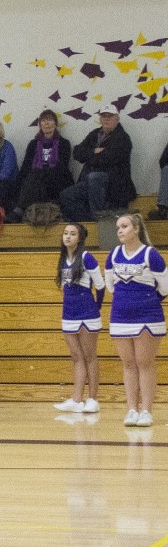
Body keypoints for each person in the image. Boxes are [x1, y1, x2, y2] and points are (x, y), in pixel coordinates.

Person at [106, 213, 168, 427]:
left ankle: (146, 411)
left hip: (147, 317)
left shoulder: (151, 254)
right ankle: (131, 409)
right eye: (118, 228)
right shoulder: (113, 255)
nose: (120, 231)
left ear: (136, 229)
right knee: (129, 364)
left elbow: (165, 287)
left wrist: (146, 300)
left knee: (144, 363)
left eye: (124, 226)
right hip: (121, 316)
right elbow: (110, 286)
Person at [54, 222, 104, 414]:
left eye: (72, 234)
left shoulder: (86, 257)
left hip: (87, 312)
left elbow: (100, 286)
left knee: (89, 356)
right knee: (76, 357)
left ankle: (93, 398)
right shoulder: (63, 258)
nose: (67, 237)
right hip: (69, 312)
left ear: (80, 238)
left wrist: (95, 308)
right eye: (65, 233)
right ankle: (76, 400)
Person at [60, 105, 136, 222]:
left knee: (95, 177)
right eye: (103, 116)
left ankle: (98, 219)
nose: (106, 119)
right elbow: (77, 153)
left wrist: (89, 155)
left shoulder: (123, 138)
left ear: (117, 119)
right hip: (90, 183)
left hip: (115, 184)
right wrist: (94, 151)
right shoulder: (94, 134)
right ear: (100, 119)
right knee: (66, 195)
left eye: (110, 116)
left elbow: (108, 160)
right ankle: (90, 220)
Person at [8, 109, 73, 222]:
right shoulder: (33, 144)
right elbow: (25, 166)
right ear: (40, 125)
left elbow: (62, 166)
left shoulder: (64, 143)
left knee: (37, 175)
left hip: (58, 180)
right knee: (29, 179)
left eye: (50, 120)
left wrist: (42, 171)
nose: (47, 123)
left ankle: (20, 210)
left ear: (55, 124)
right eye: (43, 120)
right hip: (36, 181)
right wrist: (17, 183)